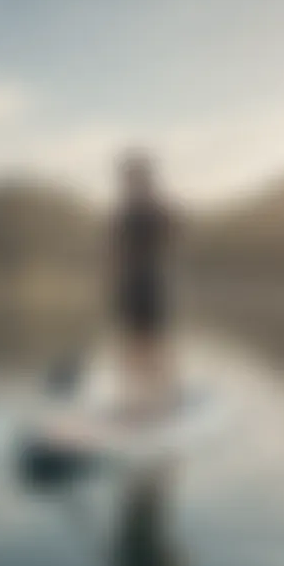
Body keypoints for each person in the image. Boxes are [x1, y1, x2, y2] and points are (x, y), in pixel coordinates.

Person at [111, 151, 178, 416]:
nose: (128, 182)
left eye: (132, 176)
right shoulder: (125, 212)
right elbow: (114, 250)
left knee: (153, 343)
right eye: (127, 177)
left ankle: (164, 401)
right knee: (131, 345)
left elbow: (171, 236)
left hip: (150, 282)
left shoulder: (155, 209)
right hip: (130, 284)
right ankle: (137, 404)